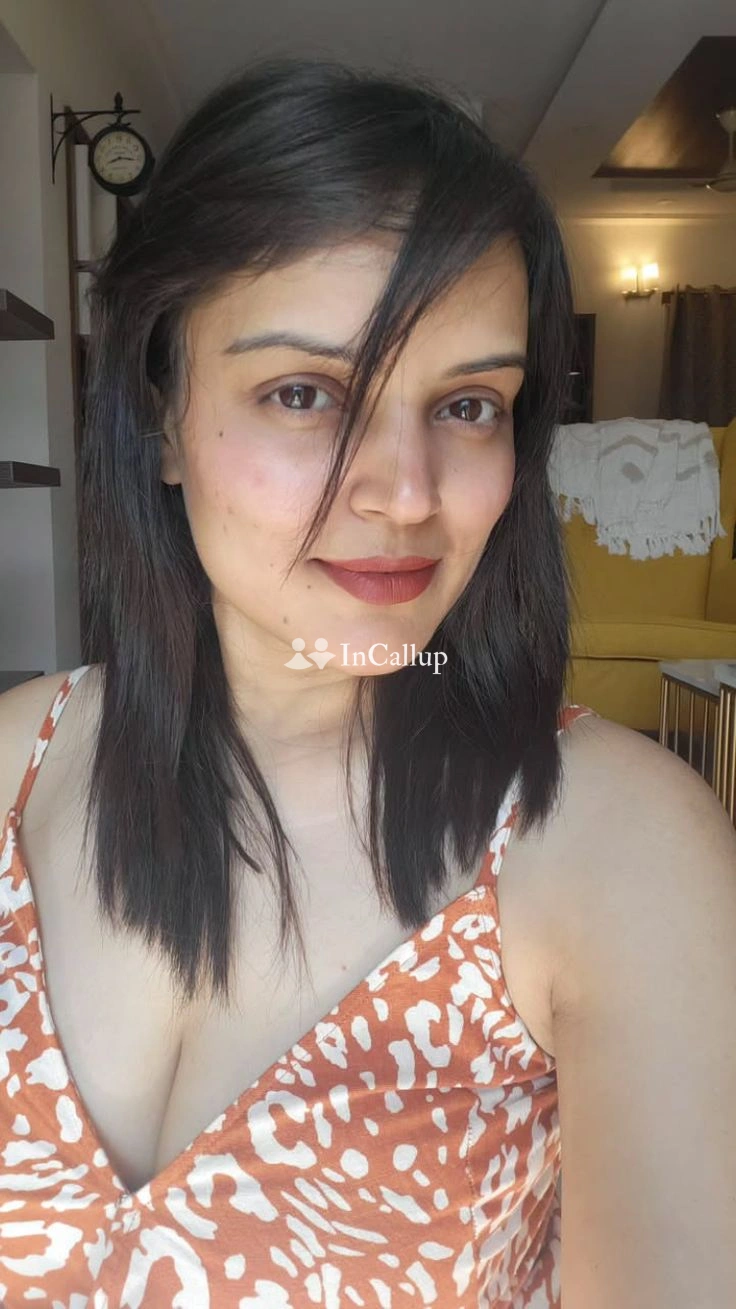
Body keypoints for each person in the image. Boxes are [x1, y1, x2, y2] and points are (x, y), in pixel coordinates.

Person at [0, 56, 734, 1309]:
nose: (404, 491)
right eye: (304, 393)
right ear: (163, 415)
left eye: (469, 404)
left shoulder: (617, 846)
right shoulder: (14, 760)